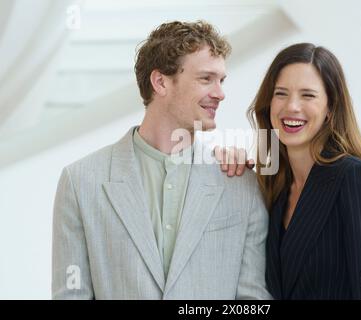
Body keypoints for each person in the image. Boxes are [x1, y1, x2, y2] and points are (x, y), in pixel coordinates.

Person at [52, 20, 272, 300]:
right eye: (206, 79)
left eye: (221, 80)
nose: (220, 93)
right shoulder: (80, 182)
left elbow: (253, 301)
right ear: (160, 82)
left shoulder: (242, 184)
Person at [219, 43, 361, 299]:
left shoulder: (357, 179)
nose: (292, 106)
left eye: (308, 95)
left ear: (330, 108)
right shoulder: (273, 187)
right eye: (281, 93)